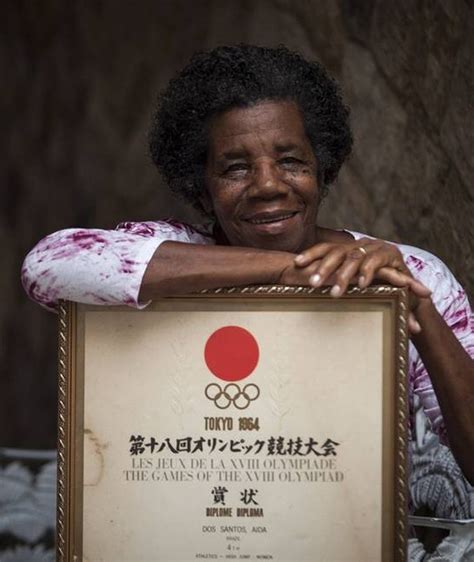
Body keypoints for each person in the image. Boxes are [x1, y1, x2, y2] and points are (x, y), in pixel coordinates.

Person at [22, 45, 474, 489]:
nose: (267, 185)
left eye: (291, 161)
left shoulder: (403, 271)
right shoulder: (173, 252)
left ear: (322, 170)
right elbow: (49, 264)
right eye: (236, 169)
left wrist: (420, 311)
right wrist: (282, 269)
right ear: (202, 189)